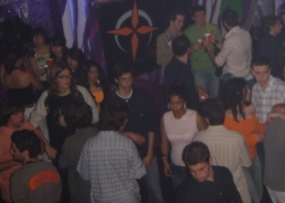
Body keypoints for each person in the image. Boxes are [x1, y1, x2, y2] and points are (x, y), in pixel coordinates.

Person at [107, 63, 164, 203]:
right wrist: (128, 134)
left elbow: (151, 126)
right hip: (123, 155)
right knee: (129, 193)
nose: (128, 82)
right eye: (123, 79)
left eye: (130, 78)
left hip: (145, 151)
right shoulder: (111, 101)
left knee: (155, 191)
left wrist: (150, 153)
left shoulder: (141, 96)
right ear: (116, 80)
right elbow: (106, 132)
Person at [77, 101, 146, 203]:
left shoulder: (90, 145)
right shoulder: (126, 144)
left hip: (100, 199)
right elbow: (139, 173)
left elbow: (84, 174)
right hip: (126, 198)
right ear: (121, 123)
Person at [29, 63, 98, 164]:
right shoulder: (47, 96)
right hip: (59, 145)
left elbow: (94, 117)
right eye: (62, 77)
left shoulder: (80, 92)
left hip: (82, 143)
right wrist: (46, 145)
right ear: (54, 79)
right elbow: (33, 123)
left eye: (69, 76)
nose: (67, 80)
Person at [0, 102, 50, 203]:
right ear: (7, 116)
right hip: (12, 187)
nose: (21, 115)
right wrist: (18, 159)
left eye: (21, 112)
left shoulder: (26, 125)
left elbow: (40, 151)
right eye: (16, 113)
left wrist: (40, 140)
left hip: (32, 181)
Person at [193, 99, 252, 203]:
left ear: (207, 119)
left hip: (212, 189)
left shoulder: (198, 137)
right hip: (236, 186)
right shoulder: (236, 138)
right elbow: (246, 163)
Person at [221, 78, 265, 203]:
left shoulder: (250, 108)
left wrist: (264, 127)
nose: (249, 91)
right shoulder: (225, 117)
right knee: (253, 196)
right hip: (240, 162)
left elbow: (257, 127)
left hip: (254, 156)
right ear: (239, 93)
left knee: (260, 192)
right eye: (246, 89)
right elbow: (232, 143)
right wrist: (254, 138)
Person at [160, 85, 207, 189]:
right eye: (171, 103)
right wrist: (165, 161)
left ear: (184, 102)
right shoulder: (165, 118)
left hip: (196, 164)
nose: (174, 106)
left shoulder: (195, 116)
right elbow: (164, 141)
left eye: (178, 103)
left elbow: (206, 139)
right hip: (176, 165)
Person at [173, 141, 242, 203]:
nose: (197, 175)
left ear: (210, 160)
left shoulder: (224, 173)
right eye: (192, 171)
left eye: (201, 169)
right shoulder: (185, 192)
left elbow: (235, 197)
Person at [59, 101, 99, 203]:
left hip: (82, 190)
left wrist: (65, 128)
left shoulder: (71, 141)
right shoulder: (99, 134)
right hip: (101, 189)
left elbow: (63, 164)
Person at [10, 129, 61, 203]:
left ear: (25, 152)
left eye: (14, 150)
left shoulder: (18, 176)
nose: (10, 151)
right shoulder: (52, 168)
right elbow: (58, 193)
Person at [185, 5, 222, 98]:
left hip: (212, 66)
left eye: (203, 15)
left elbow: (222, 46)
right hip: (197, 68)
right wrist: (192, 48)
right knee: (202, 96)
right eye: (198, 16)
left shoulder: (212, 28)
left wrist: (214, 41)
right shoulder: (188, 32)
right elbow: (184, 53)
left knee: (215, 95)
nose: (201, 18)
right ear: (193, 18)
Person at [206, 10, 252, 83]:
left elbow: (218, 63)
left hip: (234, 78)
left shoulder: (230, 40)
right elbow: (231, 49)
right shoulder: (246, 33)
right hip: (247, 76)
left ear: (225, 24)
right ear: (238, 20)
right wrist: (214, 41)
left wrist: (208, 48)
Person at [164, 35, 201, 111]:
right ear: (188, 49)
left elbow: (187, 85)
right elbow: (172, 95)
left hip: (192, 106)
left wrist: (198, 89)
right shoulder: (172, 69)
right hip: (183, 110)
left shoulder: (186, 62)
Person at [250, 57, 285, 124]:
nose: (261, 76)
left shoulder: (281, 87)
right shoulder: (255, 88)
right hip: (261, 127)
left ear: (269, 71)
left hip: (276, 127)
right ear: (252, 72)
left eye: (265, 72)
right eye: (258, 73)